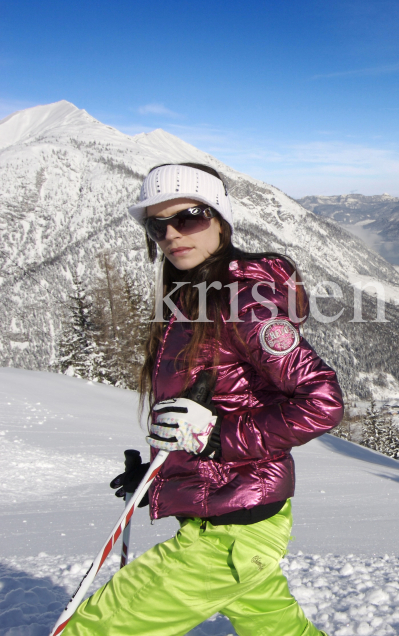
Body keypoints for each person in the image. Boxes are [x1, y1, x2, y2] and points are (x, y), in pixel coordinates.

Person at [62, 163, 343, 635]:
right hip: (227, 514)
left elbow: (322, 400)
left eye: (188, 217)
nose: (171, 234)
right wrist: (162, 473)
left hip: (234, 526)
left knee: (94, 628)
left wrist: (216, 440)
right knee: (278, 629)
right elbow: (211, 402)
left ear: (219, 219)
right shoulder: (189, 299)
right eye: (157, 225)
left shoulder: (244, 301)